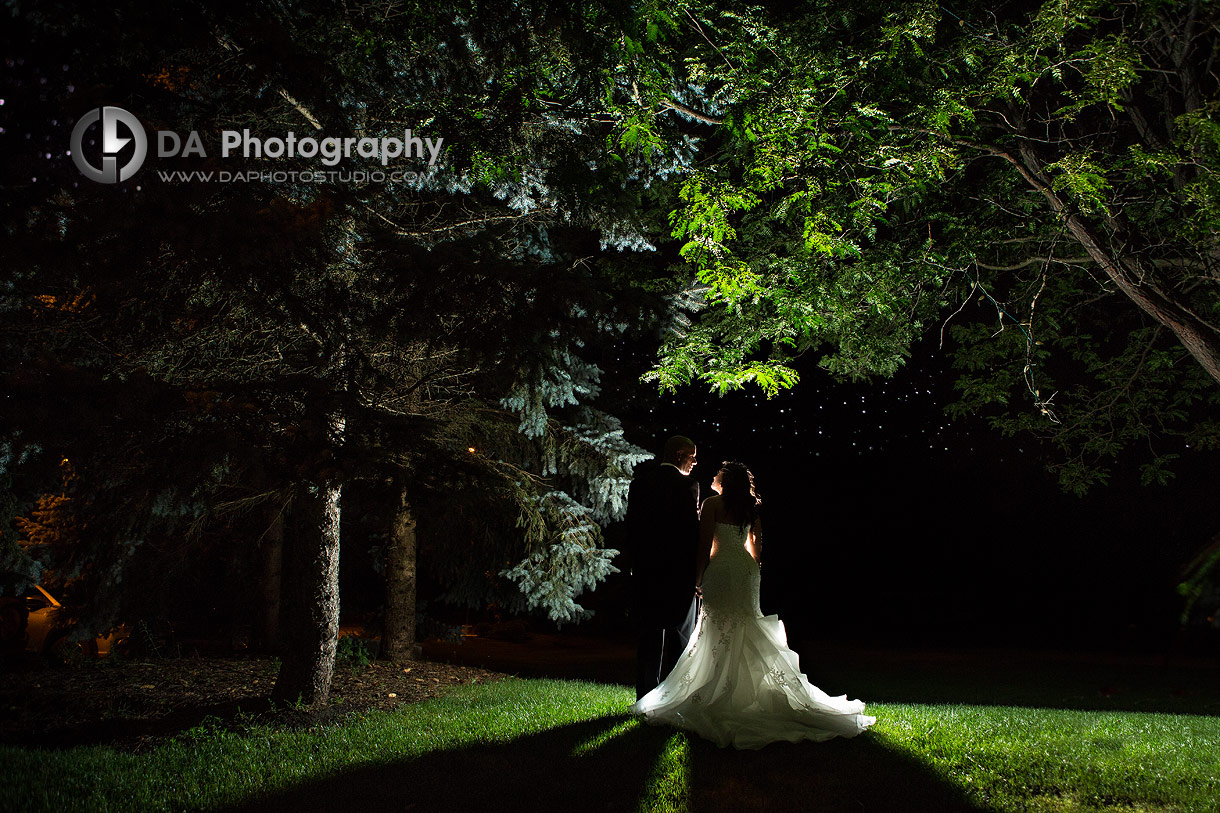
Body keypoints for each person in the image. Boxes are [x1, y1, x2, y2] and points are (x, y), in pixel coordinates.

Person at [631, 461, 876, 749]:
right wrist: (751, 571)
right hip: (746, 572)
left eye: (718, 473)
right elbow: (756, 548)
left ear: (726, 480)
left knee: (718, 627)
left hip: (721, 569)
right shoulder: (750, 508)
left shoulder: (712, 504)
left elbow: (704, 544)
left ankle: (722, 693)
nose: (713, 475)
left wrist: (698, 578)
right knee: (745, 624)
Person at [625, 435, 700, 700]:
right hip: (679, 575)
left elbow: (631, 529)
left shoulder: (641, 483)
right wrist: (697, 576)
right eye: (692, 456)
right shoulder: (688, 485)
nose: (695, 462)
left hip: (646, 573)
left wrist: (635, 566)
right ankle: (673, 699)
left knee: (648, 640)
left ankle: (645, 698)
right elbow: (691, 535)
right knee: (681, 639)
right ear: (680, 455)